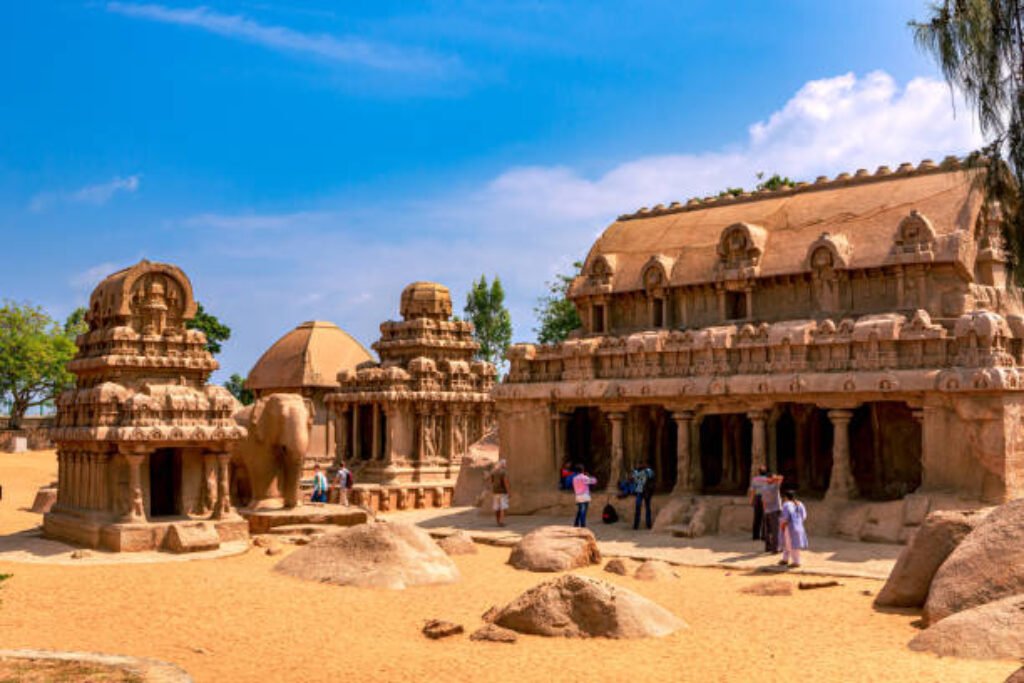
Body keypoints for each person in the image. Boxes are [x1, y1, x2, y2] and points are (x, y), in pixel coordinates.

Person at [751, 469, 784, 553]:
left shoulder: (764, 488)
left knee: (768, 531)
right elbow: (781, 478)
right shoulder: (775, 486)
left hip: (767, 511)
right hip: (775, 510)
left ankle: (768, 547)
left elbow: (763, 501)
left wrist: (765, 510)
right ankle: (775, 548)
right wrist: (773, 478)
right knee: (775, 530)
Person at [779, 489, 808, 568]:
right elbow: (804, 516)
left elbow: (785, 518)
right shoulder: (800, 504)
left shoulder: (786, 504)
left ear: (785, 497)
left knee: (791, 544)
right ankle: (785, 559)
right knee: (789, 543)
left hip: (789, 527)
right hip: (799, 526)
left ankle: (796, 562)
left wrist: (782, 524)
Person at [630, 462, 655, 530]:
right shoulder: (640, 471)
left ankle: (645, 524)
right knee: (642, 508)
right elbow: (633, 479)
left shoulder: (648, 471)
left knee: (644, 508)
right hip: (641, 491)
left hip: (644, 491)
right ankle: (640, 524)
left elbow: (651, 477)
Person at [571, 464, 598, 528]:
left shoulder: (574, 478)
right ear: (583, 470)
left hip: (578, 496)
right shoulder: (584, 478)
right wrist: (589, 476)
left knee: (580, 510)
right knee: (583, 511)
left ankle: (576, 523)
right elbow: (594, 481)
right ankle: (583, 525)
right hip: (584, 496)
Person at [748, 466, 768, 541]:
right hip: (765, 498)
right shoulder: (768, 479)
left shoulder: (755, 479)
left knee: (757, 517)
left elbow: (753, 491)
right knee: (764, 517)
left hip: (757, 498)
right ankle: (764, 536)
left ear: (759, 472)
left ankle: (755, 536)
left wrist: (751, 500)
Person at [490, 459, 511, 527]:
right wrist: (509, 492)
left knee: (496, 507)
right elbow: (506, 483)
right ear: (503, 465)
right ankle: (501, 521)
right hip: (502, 492)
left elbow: (491, 481)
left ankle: (497, 521)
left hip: (495, 491)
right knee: (503, 507)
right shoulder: (503, 472)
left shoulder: (494, 472)